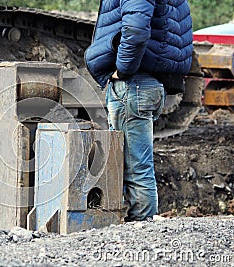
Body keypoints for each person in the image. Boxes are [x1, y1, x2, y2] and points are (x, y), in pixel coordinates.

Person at [85, 0, 193, 221]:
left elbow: (135, 30)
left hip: (133, 84)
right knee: (139, 166)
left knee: (136, 170)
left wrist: (123, 70)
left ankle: (140, 231)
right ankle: (142, 228)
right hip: (150, 83)